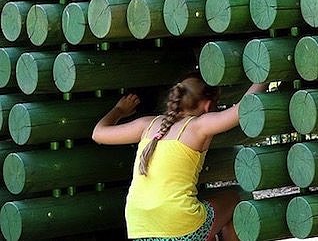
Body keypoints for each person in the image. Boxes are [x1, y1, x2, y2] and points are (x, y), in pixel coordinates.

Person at [92, 75, 267, 241]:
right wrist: (266, 75)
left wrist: (119, 110)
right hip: (181, 227)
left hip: (139, 228)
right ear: (207, 106)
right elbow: (243, 109)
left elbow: (98, 134)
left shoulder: (147, 124)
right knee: (236, 198)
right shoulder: (199, 126)